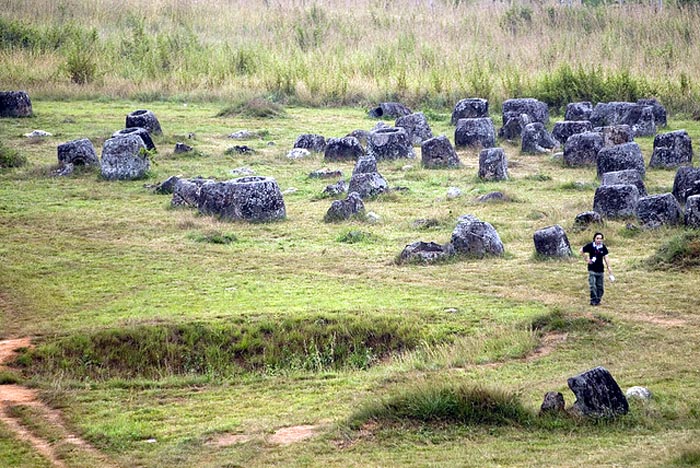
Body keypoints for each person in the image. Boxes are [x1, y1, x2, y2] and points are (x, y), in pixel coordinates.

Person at [580, 232, 613, 306]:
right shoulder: (590, 246)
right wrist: (587, 259)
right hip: (592, 269)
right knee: (592, 285)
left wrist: (609, 267)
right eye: (597, 238)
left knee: (600, 287)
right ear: (594, 239)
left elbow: (606, 257)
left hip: (600, 269)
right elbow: (581, 251)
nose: (599, 240)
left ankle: (598, 299)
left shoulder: (603, 247)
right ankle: (593, 300)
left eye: (601, 239)